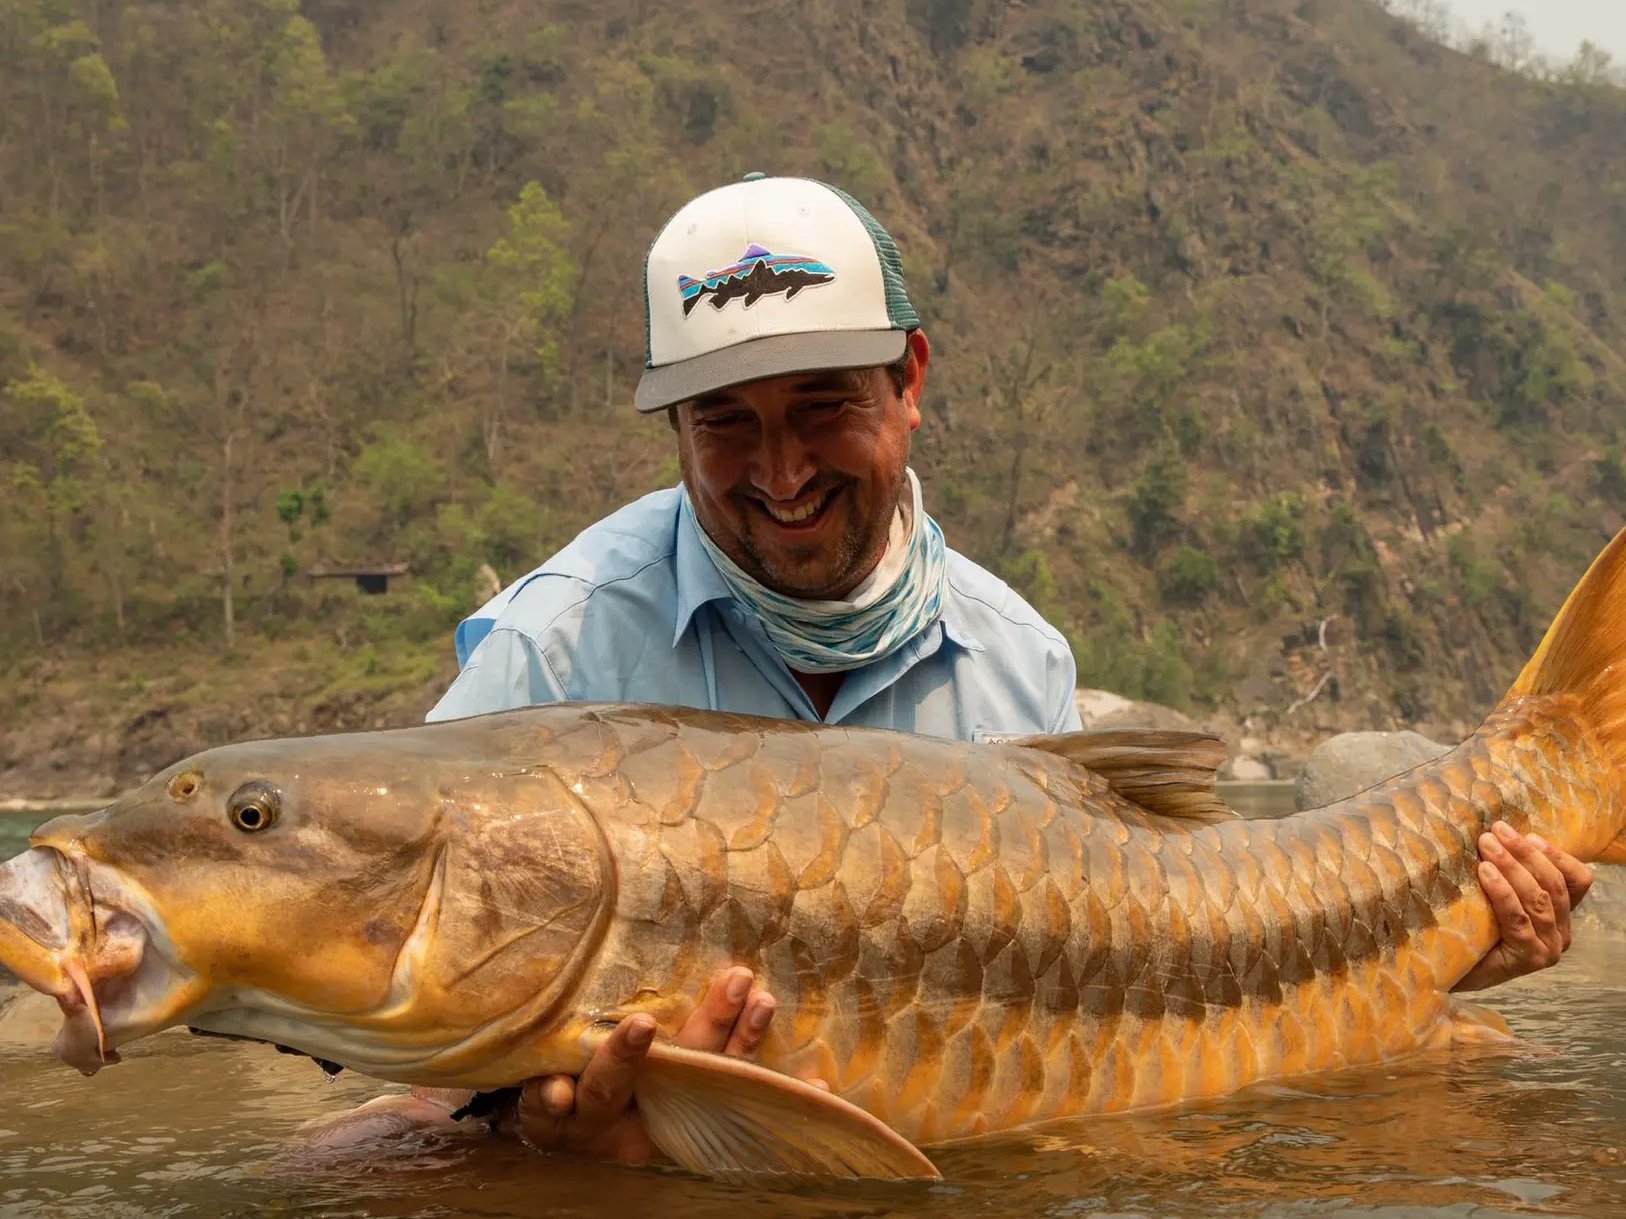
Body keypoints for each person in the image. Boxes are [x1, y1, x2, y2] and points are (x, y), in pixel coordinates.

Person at [312, 174, 1593, 1161]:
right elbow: (386, 1049)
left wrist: (1441, 941)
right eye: (725, 422)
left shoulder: (1014, 657)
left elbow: (1153, 985)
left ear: (909, 378)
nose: (781, 470)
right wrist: (524, 1127)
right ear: (676, 429)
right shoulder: (554, 648)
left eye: (824, 404)